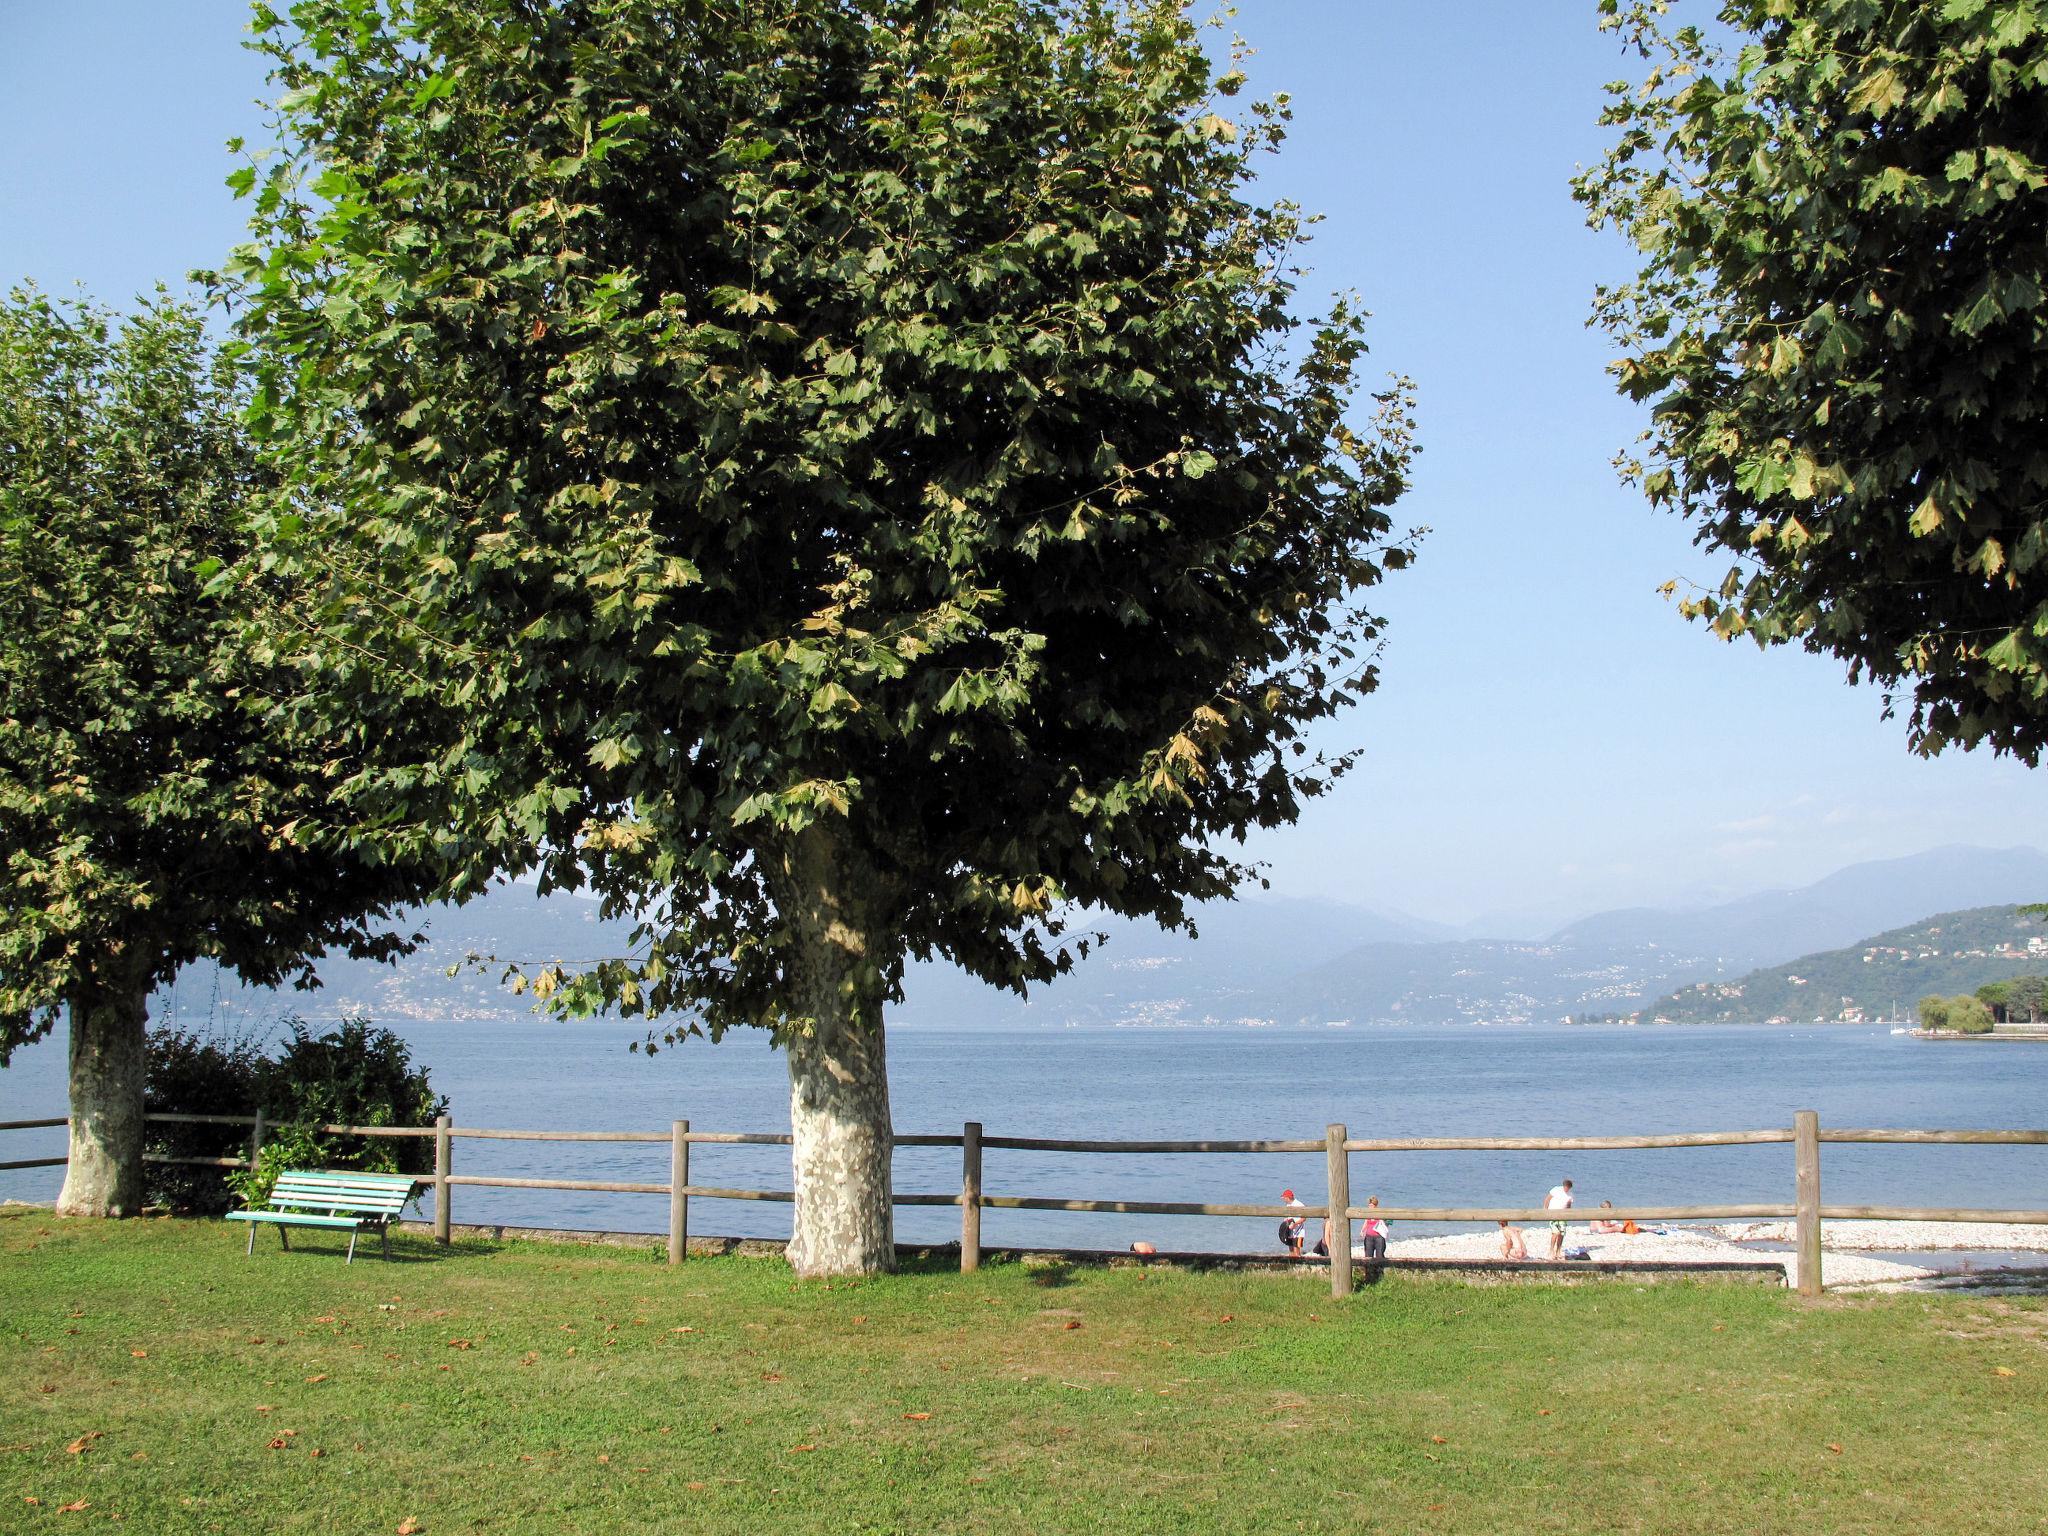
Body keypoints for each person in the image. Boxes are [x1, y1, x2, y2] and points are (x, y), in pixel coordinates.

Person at [1544, 1177, 1575, 1260]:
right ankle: (1551, 1250)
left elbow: (1569, 1207)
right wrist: (1545, 1210)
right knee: (1555, 1233)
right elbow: (1547, 1199)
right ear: (1563, 1186)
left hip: (1563, 1216)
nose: (1566, 1189)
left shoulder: (1570, 1195)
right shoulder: (1556, 1189)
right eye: (1566, 1187)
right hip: (1553, 1214)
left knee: (1561, 1234)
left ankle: (1558, 1251)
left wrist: (1568, 1213)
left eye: (1568, 1187)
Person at [1277, 1189, 1308, 1256]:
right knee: (1291, 1250)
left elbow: (1304, 1218)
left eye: (1284, 1198)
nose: (1283, 1199)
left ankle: (1299, 1264)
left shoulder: (1299, 1205)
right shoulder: (1288, 1205)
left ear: (1288, 1198)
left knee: (1297, 1251)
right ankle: (1292, 1264)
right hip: (1290, 1231)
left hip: (1299, 1231)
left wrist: (1295, 1224)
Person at [1359, 1196, 1388, 1264]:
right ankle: (1369, 1272)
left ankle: (1379, 1271)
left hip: (1379, 1237)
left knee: (1379, 1256)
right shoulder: (1368, 1213)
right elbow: (1366, 1222)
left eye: (1371, 1205)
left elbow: (1385, 1223)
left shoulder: (1379, 1213)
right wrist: (1362, 1230)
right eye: (1369, 1205)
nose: (1370, 1207)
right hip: (1369, 1236)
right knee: (1368, 1256)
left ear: (1375, 1205)